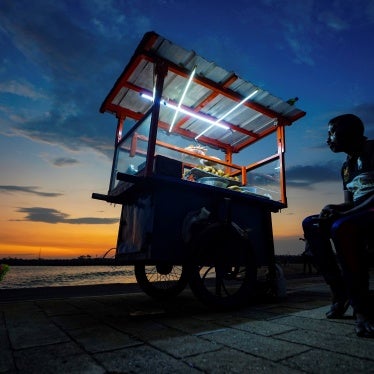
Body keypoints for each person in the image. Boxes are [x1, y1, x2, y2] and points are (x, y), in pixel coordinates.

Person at [302, 113, 374, 338]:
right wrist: (333, 207)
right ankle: (339, 292)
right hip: (359, 211)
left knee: (342, 228)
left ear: (348, 132)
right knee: (312, 224)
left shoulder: (372, 150)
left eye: (331, 132)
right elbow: (348, 203)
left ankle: (362, 308)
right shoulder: (346, 166)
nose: (328, 139)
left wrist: (347, 213)